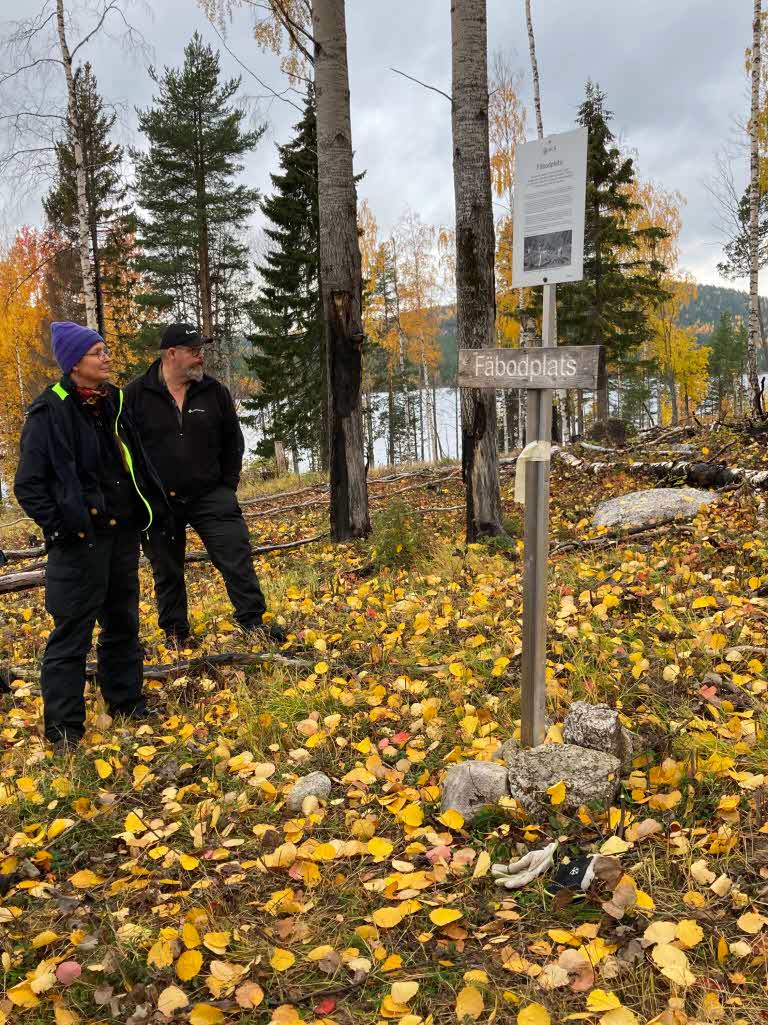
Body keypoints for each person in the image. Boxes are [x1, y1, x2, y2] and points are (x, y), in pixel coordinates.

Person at [14, 322, 170, 754]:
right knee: (71, 635)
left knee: (123, 623)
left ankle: (126, 703)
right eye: (97, 352)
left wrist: (150, 508)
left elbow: (132, 462)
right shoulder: (49, 411)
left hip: (121, 535)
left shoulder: (113, 402)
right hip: (77, 542)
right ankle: (64, 731)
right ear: (74, 362)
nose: (106, 358)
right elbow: (29, 485)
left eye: (105, 350)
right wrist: (63, 525)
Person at [124, 323, 285, 645]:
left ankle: (252, 624)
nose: (201, 358)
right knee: (166, 571)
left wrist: (228, 484)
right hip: (158, 502)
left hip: (211, 494)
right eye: (194, 352)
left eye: (202, 351)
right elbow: (125, 450)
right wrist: (142, 496)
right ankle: (175, 635)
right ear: (171, 354)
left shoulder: (214, 392)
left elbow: (232, 442)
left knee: (236, 556)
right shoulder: (134, 396)